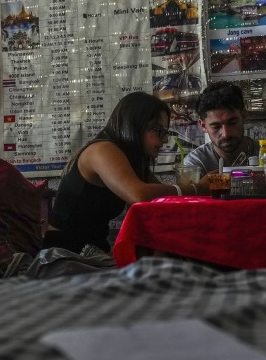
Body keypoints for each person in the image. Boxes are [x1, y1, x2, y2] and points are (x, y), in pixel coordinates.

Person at [43, 92, 185, 254]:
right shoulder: (102, 150)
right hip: (65, 257)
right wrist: (200, 188)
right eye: (159, 130)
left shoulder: (129, 160)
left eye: (165, 131)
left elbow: (161, 201)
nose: (165, 139)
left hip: (92, 254)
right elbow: (139, 194)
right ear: (134, 126)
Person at [181, 82, 259, 177]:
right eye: (216, 126)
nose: (226, 134)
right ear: (203, 126)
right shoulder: (195, 165)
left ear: (243, 116)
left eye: (232, 123)